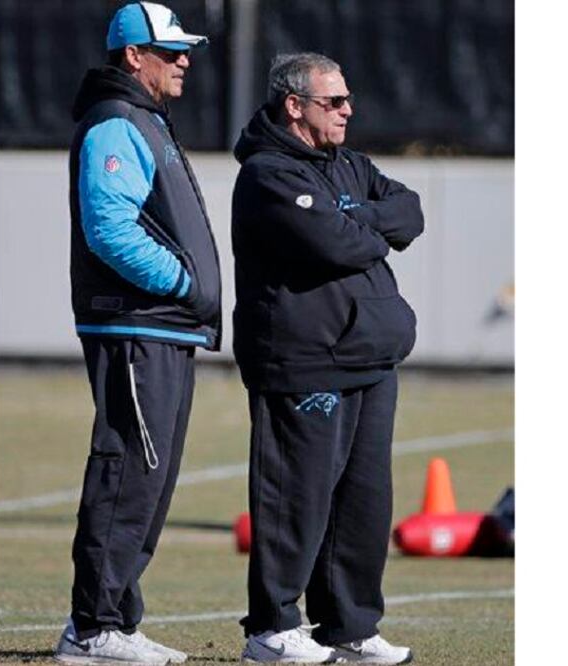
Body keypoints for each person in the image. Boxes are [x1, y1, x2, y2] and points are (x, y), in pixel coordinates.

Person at [230, 52, 424, 664]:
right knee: (296, 495)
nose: (348, 110)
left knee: (364, 501)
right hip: (304, 360)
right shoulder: (268, 174)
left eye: (347, 99)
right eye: (333, 101)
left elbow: (409, 210)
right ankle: (272, 627)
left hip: (369, 357)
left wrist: (357, 213)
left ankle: (350, 628)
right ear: (295, 106)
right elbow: (333, 244)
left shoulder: (349, 166)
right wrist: (363, 224)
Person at [56, 3, 221, 664]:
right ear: (133, 55)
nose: (183, 60)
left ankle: (115, 621)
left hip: (159, 330)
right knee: (127, 471)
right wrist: (184, 285)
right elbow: (111, 228)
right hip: (135, 325)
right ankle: (93, 628)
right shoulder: (116, 123)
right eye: (169, 50)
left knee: (147, 479)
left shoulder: (143, 120)